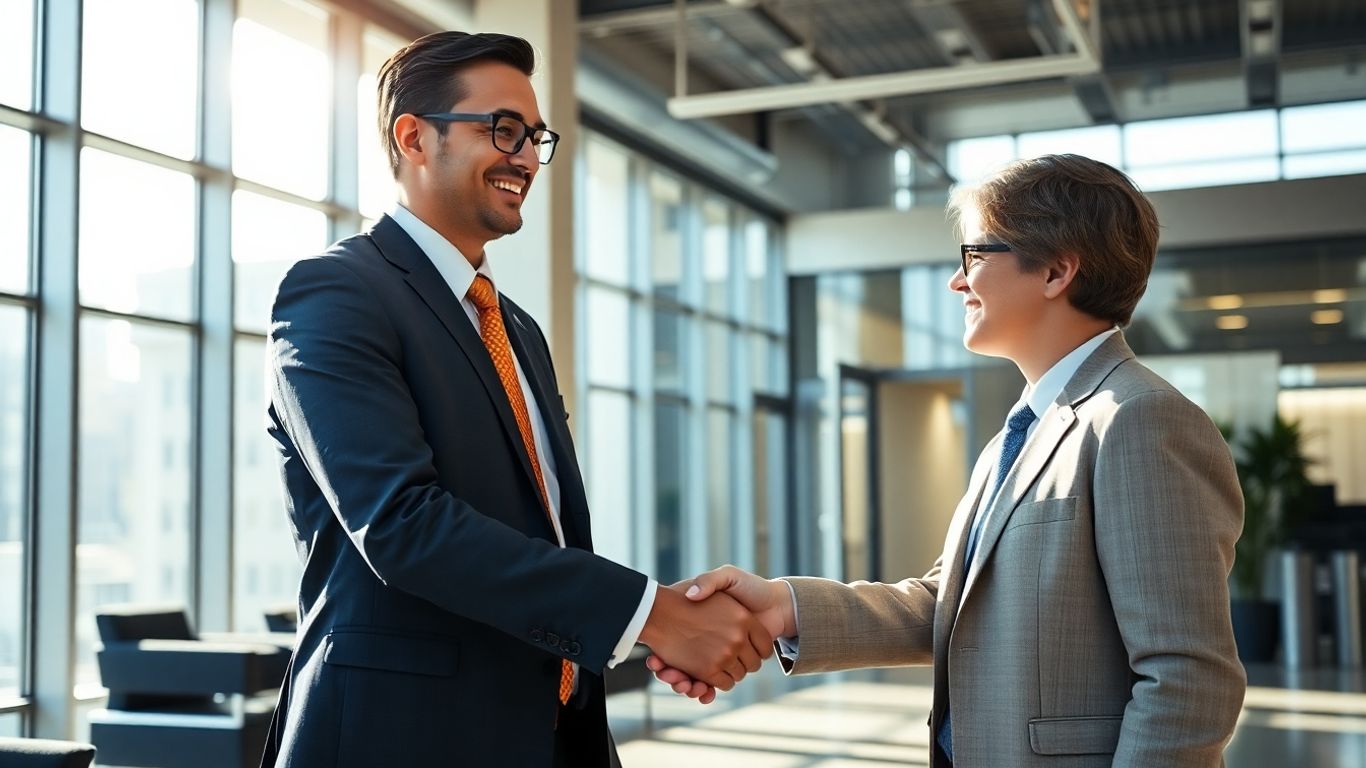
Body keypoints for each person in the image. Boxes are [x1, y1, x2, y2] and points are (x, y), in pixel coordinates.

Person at [259, 31, 771, 768]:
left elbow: (544, 534)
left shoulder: (515, 327)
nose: (527, 157)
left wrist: (646, 627)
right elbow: (402, 525)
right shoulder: (336, 293)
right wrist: (648, 614)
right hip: (401, 737)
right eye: (502, 129)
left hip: (550, 731)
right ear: (414, 138)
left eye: (535, 137)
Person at [652, 154, 1247, 767]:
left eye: (974, 257)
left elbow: (1189, 678)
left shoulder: (1140, 419)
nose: (956, 282)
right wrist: (784, 607)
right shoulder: (1018, 435)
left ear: (1056, 271)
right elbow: (951, 604)